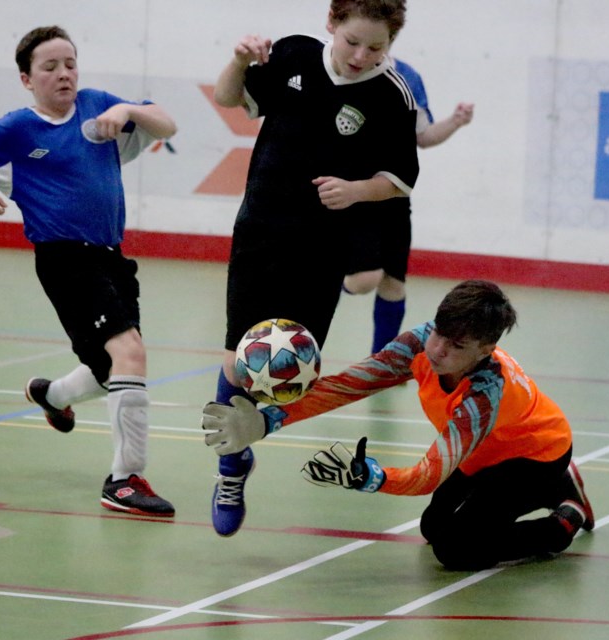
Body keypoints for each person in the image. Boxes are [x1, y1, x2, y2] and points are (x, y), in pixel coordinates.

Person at [207, 0, 420, 537]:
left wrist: (356, 191)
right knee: (238, 362)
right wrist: (238, 60)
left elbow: (399, 179)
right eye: (353, 41)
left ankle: (249, 434)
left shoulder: (392, 96)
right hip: (259, 234)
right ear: (332, 24)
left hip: (324, 248)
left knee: (293, 377)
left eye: (376, 48)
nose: (361, 55)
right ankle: (230, 468)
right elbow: (231, 98)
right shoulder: (293, 56)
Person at [0, 25, 178, 517]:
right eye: (49, 67)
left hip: (112, 256)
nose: (64, 74)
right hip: (64, 259)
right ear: (27, 79)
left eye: (69, 63)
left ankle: (50, 395)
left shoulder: (97, 103)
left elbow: (167, 125)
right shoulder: (19, 128)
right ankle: (123, 480)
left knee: (108, 368)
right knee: (130, 354)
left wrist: (128, 110)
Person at [202, 280, 595, 570]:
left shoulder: (482, 396)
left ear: (485, 350)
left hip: (534, 456)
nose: (438, 350)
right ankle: (557, 486)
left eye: (456, 347)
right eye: (440, 333)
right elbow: (351, 384)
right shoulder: (420, 344)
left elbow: (427, 475)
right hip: (484, 454)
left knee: (455, 551)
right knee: (432, 526)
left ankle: (562, 519)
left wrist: (372, 476)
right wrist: (268, 420)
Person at [342, 57, 474, 355]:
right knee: (366, 278)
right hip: (356, 194)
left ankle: (382, 361)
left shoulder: (407, 77)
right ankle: (322, 285)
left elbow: (423, 137)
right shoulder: (341, 68)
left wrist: (455, 121)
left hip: (396, 197)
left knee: (393, 284)